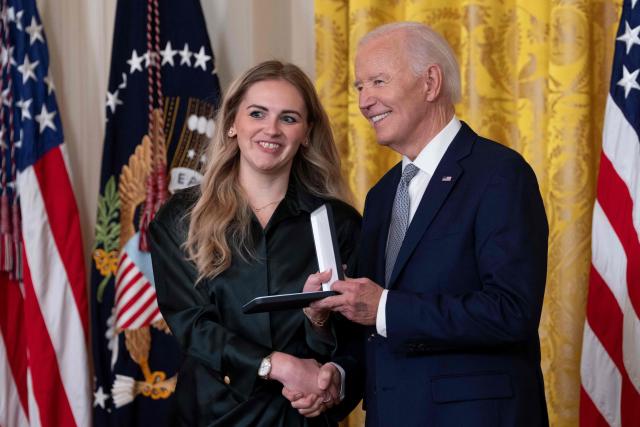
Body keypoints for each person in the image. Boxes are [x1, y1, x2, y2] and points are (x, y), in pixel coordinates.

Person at [289, 22, 550, 426]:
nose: (365, 100)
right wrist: (337, 374)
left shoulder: (499, 174)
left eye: (378, 81)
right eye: (359, 87)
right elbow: (378, 329)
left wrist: (383, 306)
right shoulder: (382, 195)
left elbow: (510, 311)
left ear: (430, 83)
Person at [148, 60, 362, 426]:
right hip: (212, 415)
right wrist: (278, 365)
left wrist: (327, 368)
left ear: (307, 132)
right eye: (258, 113)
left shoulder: (339, 223)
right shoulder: (181, 218)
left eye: (289, 118)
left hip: (303, 418)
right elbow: (192, 324)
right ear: (233, 123)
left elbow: (358, 342)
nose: (272, 129)